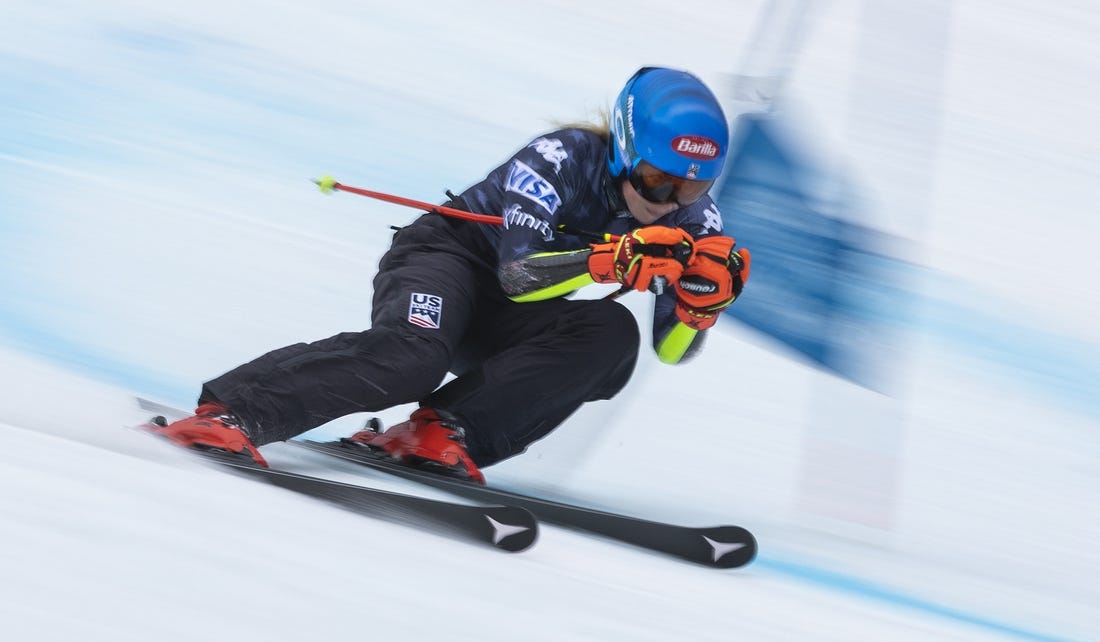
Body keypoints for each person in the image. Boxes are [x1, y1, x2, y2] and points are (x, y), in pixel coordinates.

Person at [152, 66, 751, 484]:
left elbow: (669, 351)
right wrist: (611, 259)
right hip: (449, 261)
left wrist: (699, 309)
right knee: (414, 358)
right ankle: (233, 412)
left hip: (510, 315)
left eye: (693, 185)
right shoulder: (562, 158)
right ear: (624, 149)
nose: (673, 200)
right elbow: (516, 272)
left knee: (613, 335)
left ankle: (440, 432)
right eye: (658, 180)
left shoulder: (699, 220)